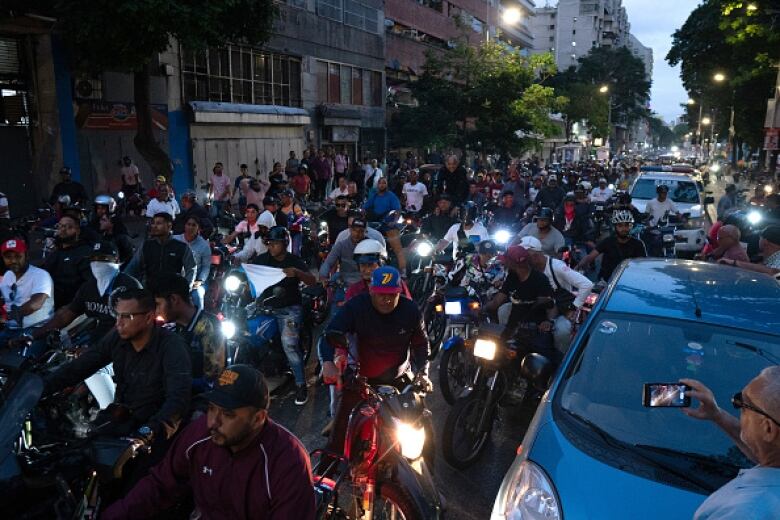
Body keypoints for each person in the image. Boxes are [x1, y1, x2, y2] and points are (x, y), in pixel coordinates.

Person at [102, 364, 315, 520]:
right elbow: (160, 484)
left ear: (258, 418)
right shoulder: (199, 435)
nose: (213, 422)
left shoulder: (288, 462)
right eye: (211, 408)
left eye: (228, 414)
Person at [43, 288, 192, 439]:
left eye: (127, 317)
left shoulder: (172, 346)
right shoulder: (117, 336)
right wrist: (41, 388)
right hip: (121, 419)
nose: (119, 323)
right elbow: (82, 365)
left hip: (152, 431)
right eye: (117, 315)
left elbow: (178, 399)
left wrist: (148, 433)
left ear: (148, 317)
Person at [322, 266, 430, 453]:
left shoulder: (411, 310)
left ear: (400, 292)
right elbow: (331, 333)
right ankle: (329, 471)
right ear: (371, 290)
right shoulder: (355, 306)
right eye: (381, 294)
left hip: (399, 381)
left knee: (423, 429)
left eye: (392, 294)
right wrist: (327, 361)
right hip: (360, 380)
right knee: (338, 439)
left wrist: (423, 373)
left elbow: (421, 344)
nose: (386, 299)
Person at [682, 367, 780, 519]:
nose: (736, 403)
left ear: (768, 428)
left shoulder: (743, 512)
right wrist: (717, 415)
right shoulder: (774, 462)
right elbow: (764, 450)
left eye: (744, 403)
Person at [12, 242, 141, 352]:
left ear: (116, 260)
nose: (97, 263)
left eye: (103, 258)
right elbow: (66, 315)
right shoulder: (89, 287)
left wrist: (96, 350)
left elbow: (134, 325)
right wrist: (33, 335)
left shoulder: (129, 286)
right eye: (93, 259)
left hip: (122, 350)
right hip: (91, 347)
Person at [251, 227, 316, 405]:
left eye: (275, 243)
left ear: (285, 244)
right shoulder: (262, 259)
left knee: (290, 346)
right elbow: (250, 272)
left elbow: (312, 280)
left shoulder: (294, 261)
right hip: (264, 307)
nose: (272, 246)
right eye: (269, 243)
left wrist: (297, 272)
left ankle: (301, 385)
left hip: (289, 309)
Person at [152, 274, 225, 407]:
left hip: (198, 404)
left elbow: (212, 380)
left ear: (174, 299)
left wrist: (173, 381)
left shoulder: (208, 327)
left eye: (158, 304)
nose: (156, 312)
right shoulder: (168, 328)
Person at [520, 236, 593, 353]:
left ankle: (562, 361)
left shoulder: (556, 267)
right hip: (539, 307)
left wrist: (574, 307)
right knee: (505, 310)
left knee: (562, 331)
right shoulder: (527, 269)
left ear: (535, 255)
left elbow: (587, 284)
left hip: (561, 309)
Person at [484, 245, 557, 357]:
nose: (504, 263)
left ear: (514, 264)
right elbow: (496, 302)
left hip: (534, 331)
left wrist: (549, 321)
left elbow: (551, 304)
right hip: (513, 327)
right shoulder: (512, 277)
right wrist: (481, 309)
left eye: (507, 260)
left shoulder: (539, 279)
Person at [0, 238, 54, 353]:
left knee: (19, 364)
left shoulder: (41, 275)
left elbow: (35, 304)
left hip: (36, 329)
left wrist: (7, 316)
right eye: (8, 257)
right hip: (10, 329)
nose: (13, 260)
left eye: (18, 256)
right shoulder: (8, 275)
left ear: (26, 255)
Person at [125, 212, 196, 286]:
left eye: (159, 223)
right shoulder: (146, 245)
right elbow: (131, 269)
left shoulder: (181, 247)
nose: (154, 226)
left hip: (172, 292)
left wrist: (186, 289)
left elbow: (191, 269)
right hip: (148, 291)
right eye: (153, 223)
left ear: (169, 226)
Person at [576, 210, 647, 282]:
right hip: (607, 281)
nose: (624, 229)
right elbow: (590, 256)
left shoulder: (638, 244)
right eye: (620, 226)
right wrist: (576, 268)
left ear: (631, 227)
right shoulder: (608, 241)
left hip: (629, 281)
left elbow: (643, 265)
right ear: (615, 227)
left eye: (626, 225)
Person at [42, 212, 94, 309]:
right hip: (49, 304)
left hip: (72, 308)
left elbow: (89, 285)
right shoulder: (56, 252)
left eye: (68, 227)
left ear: (77, 231)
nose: (63, 230)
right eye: (60, 226)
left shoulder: (85, 253)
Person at [319, 216, 370, 286]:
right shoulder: (341, 245)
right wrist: (323, 277)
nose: (356, 234)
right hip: (345, 283)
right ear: (350, 230)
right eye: (354, 230)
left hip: (366, 283)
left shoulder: (371, 245)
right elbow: (328, 263)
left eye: (361, 231)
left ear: (365, 232)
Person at [174, 216, 212, 310]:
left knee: (197, 295)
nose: (190, 227)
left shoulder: (204, 245)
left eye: (194, 225)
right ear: (184, 226)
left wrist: (200, 281)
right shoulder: (174, 240)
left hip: (196, 280)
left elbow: (206, 267)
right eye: (188, 224)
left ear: (198, 228)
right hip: (175, 278)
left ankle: (198, 321)